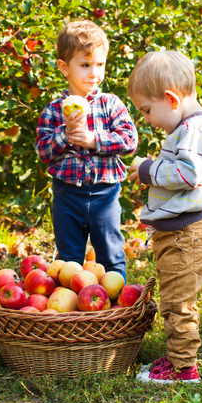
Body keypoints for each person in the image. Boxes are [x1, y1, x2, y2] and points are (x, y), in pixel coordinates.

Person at [127, 50, 202, 384]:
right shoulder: (187, 127)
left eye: (148, 110)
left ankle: (184, 369)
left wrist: (149, 169)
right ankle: (177, 357)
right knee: (173, 299)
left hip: (186, 236)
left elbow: (187, 174)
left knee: (178, 304)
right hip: (179, 234)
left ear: (170, 98)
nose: (148, 119)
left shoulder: (193, 129)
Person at [35, 20, 138, 278]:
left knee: (111, 254)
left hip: (105, 193)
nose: (94, 73)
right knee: (68, 260)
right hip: (66, 194)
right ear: (64, 68)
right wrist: (65, 134)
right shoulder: (54, 110)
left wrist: (94, 140)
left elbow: (129, 140)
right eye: (85, 65)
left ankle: (119, 309)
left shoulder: (110, 104)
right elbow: (43, 151)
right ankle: (70, 313)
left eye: (100, 65)